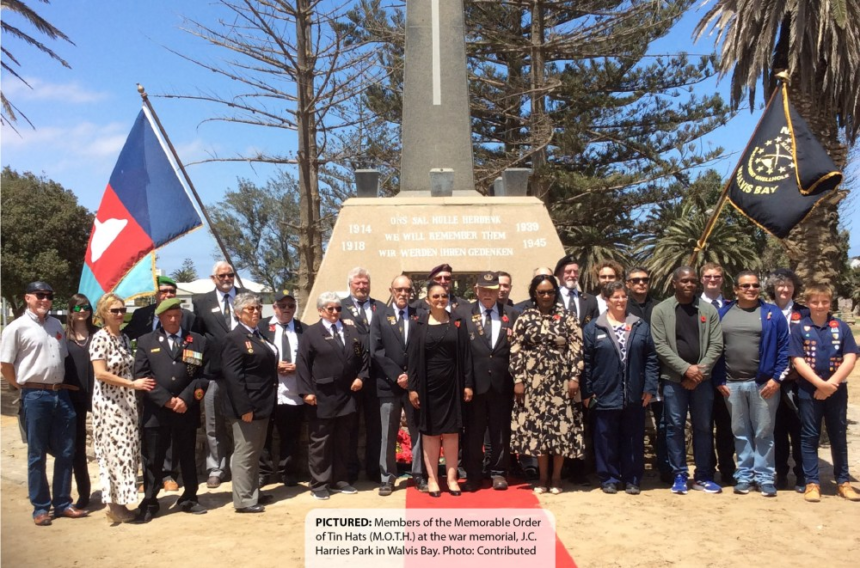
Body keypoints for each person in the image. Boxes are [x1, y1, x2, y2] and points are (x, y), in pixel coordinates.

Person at [1, 282, 88, 526]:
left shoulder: (54, 325)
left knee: (66, 451)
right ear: (27, 298)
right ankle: (41, 507)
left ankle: (62, 503)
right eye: (40, 295)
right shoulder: (16, 328)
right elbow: (5, 364)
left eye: (49, 296)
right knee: (36, 453)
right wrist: (21, 386)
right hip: (35, 395)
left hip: (60, 395)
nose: (45, 300)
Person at [132, 298, 211, 522]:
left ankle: (190, 498)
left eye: (177, 315)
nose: (174, 319)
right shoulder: (147, 341)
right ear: (160, 318)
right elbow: (141, 376)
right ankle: (150, 501)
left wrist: (186, 399)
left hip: (185, 410)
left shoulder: (196, 340)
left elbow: (202, 376)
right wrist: (166, 400)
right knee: (153, 459)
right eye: (169, 316)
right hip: (157, 411)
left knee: (187, 456)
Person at [713, 271, 789, 497]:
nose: (751, 289)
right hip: (731, 385)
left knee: (764, 432)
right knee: (740, 432)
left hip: (764, 385)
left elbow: (784, 349)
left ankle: (765, 477)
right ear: (735, 289)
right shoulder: (723, 313)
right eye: (745, 285)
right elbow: (714, 348)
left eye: (755, 285)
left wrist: (776, 379)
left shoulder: (772, 314)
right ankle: (744, 475)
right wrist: (718, 379)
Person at [509, 275, 585, 495]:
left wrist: (574, 377)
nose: (546, 296)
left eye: (550, 291)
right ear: (535, 293)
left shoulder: (568, 317)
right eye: (542, 292)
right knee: (539, 429)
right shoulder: (524, 317)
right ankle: (542, 478)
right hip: (533, 382)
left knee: (560, 428)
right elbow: (515, 350)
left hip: (561, 381)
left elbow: (576, 349)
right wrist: (519, 380)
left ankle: (556, 477)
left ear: (555, 293)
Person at [651, 266, 723, 495]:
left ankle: (703, 475)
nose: (689, 284)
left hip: (702, 380)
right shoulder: (661, 310)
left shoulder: (707, 310)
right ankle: (679, 474)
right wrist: (685, 370)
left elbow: (716, 345)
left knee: (703, 427)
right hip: (673, 380)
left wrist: (697, 373)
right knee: (674, 427)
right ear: (674, 283)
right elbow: (660, 346)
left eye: (693, 281)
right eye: (684, 281)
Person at [582, 282, 658, 495]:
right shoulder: (593, 327)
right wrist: (587, 392)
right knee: (605, 438)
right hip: (604, 392)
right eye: (615, 297)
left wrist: (650, 386)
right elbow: (586, 363)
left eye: (623, 296)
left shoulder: (640, 325)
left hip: (634, 393)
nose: (620, 300)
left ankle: (632, 478)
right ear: (606, 300)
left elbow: (651, 357)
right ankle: (609, 478)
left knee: (633, 438)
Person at [124, 275, 196, 492]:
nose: (167, 295)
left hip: (180, 389)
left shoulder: (189, 318)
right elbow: (125, 337)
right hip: (149, 385)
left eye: (171, 292)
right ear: (156, 295)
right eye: (163, 291)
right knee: (149, 432)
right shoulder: (141, 315)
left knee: (175, 437)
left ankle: (169, 475)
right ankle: (148, 478)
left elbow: (197, 350)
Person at [789, 284, 860, 502]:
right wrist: (820, 384)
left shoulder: (841, 327)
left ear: (831, 302)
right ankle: (812, 483)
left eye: (825, 302)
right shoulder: (800, 327)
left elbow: (850, 357)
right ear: (807, 303)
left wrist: (831, 384)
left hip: (836, 389)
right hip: (809, 389)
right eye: (815, 302)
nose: (820, 306)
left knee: (838, 435)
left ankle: (843, 482)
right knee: (810, 436)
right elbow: (798, 361)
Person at [90, 293, 156, 523]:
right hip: (109, 405)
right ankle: (114, 507)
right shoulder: (99, 339)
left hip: (126, 404)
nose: (120, 314)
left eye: (122, 309)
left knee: (126, 455)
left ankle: (121, 502)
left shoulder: (124, 338)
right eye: (114, 310)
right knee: (113, 454)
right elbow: (100, 373)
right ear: (103, 314)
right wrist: (131, 384)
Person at [298, 292, 369, 500]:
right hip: (322, 396)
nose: (335, 312)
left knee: (343, 440)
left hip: (347, 394)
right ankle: (319, 483)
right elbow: (302, 364)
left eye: (338, 308)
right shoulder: (311, 333)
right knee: (320, 441)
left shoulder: (351, 331)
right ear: (320, 311)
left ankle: (339, 479)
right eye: (331, 309)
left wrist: (362, 377)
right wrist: (306, 392)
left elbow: (364, 358)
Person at [407, 281, 473, 497]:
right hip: (427, 388)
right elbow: (414, 360)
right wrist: (413, 388)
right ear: (427, 300)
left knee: (452, 432)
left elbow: (466, 356)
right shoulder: (418, 324)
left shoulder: (458, 322)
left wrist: (468, 384)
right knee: (431, 434)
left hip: (452, 386)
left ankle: (452, 479)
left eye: (443, 296)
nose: (440, 299)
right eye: (435, 296)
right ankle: (433, 479)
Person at [221, 293, 278, 513]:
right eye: (249, 309)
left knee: (254, 451)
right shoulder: (233, 338)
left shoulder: (257, 334)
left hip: (263, 403)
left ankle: (252, 492)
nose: (255, 312)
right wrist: (244, 407)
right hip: (248, 407)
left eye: (257, 307)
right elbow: (234, 377)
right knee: (245, 452)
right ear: (237, 313)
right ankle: (244, 500)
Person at [462, 271, 519, 492]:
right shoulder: (465, 314)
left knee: (500, 430)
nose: (488, 294)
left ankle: (498, 473)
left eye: (492, 290)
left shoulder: (512, 315)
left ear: (499, 292)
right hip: (474, 384)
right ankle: (474, 474)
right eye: (483, 290)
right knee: (474, 432)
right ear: (476, 290)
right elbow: (463, 352)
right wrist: (466, 383)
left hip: (502, 382)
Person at [370, 275, 426, 495]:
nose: (403, 294)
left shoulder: (419, 315)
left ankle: (419, 475)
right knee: (388, 433)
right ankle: (388, 477)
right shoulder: (380, 316)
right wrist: (397, 375)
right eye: (399, 289)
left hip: (414, 386)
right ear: (391, 290)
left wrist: (411, 377)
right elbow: (376, 350)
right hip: (388, 385)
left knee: (417, 432)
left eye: (407, 290)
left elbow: (423, 349)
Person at [192, 261, 246, 489]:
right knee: (213, 424)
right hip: (213, 372)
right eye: (222, 275)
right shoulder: (201, 302)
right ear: (213, 278)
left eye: (230, 274)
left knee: (242, 422)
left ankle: (240, 468)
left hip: (243, 373)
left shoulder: (246, 297)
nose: (226, 278)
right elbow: (197, 336)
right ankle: (216, 468)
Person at [623, 267, 670, 483]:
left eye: (645, 280)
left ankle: (666, 468)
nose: (641, 283)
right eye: (636, 280)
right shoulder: (622, 308)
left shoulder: (660, 307)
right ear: (628, 284)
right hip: (631, 376)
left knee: (664, 423)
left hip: (659, 373)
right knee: (632, 425)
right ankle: (632, 470)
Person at [765, 268, 808, 491]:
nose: (785, 289)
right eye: (780, 285)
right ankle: (780, 473)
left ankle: (802, 474)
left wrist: (798, 370)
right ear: (773, 288)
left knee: (800, 428)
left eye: (789, 285)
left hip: (799, 380)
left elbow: (812, 345)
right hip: (772, 380)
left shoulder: (805, 313)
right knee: (777, 429)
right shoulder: (765, 311)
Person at [257, 291, 305, 488]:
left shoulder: (304, 329)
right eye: (282, 305)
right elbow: (255, 357)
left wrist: (298, 367)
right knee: (263, 435)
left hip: (293, 391)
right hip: (268, 391)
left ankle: (288, 471)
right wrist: (274, 366)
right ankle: (263, 472)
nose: (286, 309)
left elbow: (310, 358)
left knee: (291, 435)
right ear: (274, 307)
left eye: (290, 306)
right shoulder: (260, 328)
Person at [340, 267, 381, 483]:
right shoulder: (339, 308)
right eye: (358, 283)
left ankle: (375, 469)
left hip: (377, 377)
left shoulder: (381, 307)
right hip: (352, 378)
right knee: (351, 426)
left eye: (365, 283)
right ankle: (350, 470)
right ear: (350, 284)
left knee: (376, 426)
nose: (362, 287)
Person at [700, 262, 734, 484]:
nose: (713, 280)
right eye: (708, 276)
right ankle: (706, 470)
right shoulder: (691, 305)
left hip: (726, 377)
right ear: (701, 279)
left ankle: (729, 470)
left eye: (717, 276)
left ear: (722, 279)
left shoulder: (732, 307)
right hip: (700, 378)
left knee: (726, 427)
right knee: (703, 427)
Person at [63, 294, 97, 509]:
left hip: (97, 396)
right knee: (77, 448)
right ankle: (84, 493)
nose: (82, 311)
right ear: (71, 310)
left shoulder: (98, 334)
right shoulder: (63, 336)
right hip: (72, 396)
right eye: (77, 307)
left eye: (86, 307)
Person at [552, 256, 598, 326]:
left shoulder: (591, 300)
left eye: (576, 272)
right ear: (558, 275)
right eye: (568, 272)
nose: (573, 275)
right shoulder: (551, 298)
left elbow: (595, 327)